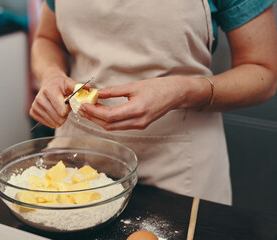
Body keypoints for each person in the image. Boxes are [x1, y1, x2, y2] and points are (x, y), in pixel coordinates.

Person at [29, 0, 277, 205]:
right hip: (78, 152)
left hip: (179, 167)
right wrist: (51, 75)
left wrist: (182, 91)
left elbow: (264, 73)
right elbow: (46, 39)